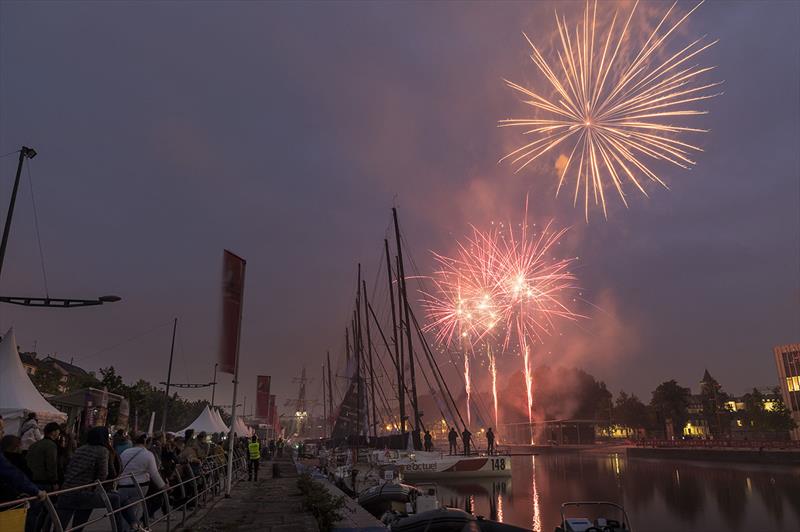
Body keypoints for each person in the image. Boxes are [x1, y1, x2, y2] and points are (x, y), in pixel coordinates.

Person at [56, 426, 122, 532]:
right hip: (82, 493)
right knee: (115, 499)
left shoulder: (80, 448)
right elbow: (103, 474)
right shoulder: (102, 450)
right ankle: (120, 529)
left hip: (66, 491)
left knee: (60, 526)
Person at [118, 433, 166, 531]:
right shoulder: (148, 454)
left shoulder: (125, 452)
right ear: (145, 442)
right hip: (140, 486)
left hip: (122, 484)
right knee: (135, 509)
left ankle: (124, 529)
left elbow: (120, 468)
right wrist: (163, 486)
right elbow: (154, 473)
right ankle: (133, 529)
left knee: (124, 510)